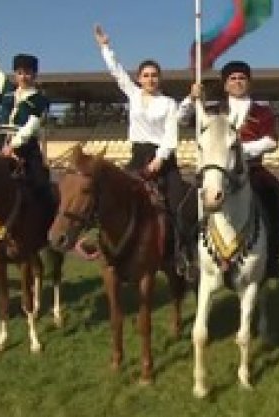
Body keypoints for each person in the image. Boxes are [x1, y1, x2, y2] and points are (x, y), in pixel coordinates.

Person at [93, 24, 196, 279]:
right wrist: (106, 47)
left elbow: (171, 137)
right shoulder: (133, 94)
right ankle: (109, 247)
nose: (150, 79)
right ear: (139, 78)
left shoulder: (169, 104)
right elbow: (116, 72)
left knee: (179, 204)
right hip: (137, 155)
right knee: (111, 198)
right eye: (146, 75)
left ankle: (181, 253)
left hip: (164, 160)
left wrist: (159, 161)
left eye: (154, 75)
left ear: (160, 79)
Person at [180, 61, 279, 279]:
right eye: (232, 78)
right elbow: (182, 119)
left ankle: (273, 258)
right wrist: (191, 98)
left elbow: (272, 140)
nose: (237, 82)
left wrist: (242, 151)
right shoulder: (212, 109)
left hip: (253, 171)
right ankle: (189, 258)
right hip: (216, 172)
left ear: (248, 82)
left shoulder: (262, 111)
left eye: (242, 78)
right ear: (225, 84)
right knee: (185, 209)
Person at [0, 30, 54, 213]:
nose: (23, 77)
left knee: (41, 183)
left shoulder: (40, 99)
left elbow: (31, 127)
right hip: (1, 143)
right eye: (20, 73)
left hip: (27, 148)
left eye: (28, 73)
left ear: (35, 75)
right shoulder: (7, 90)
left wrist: (13, 146)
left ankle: (49, 224)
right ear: (15, 74)